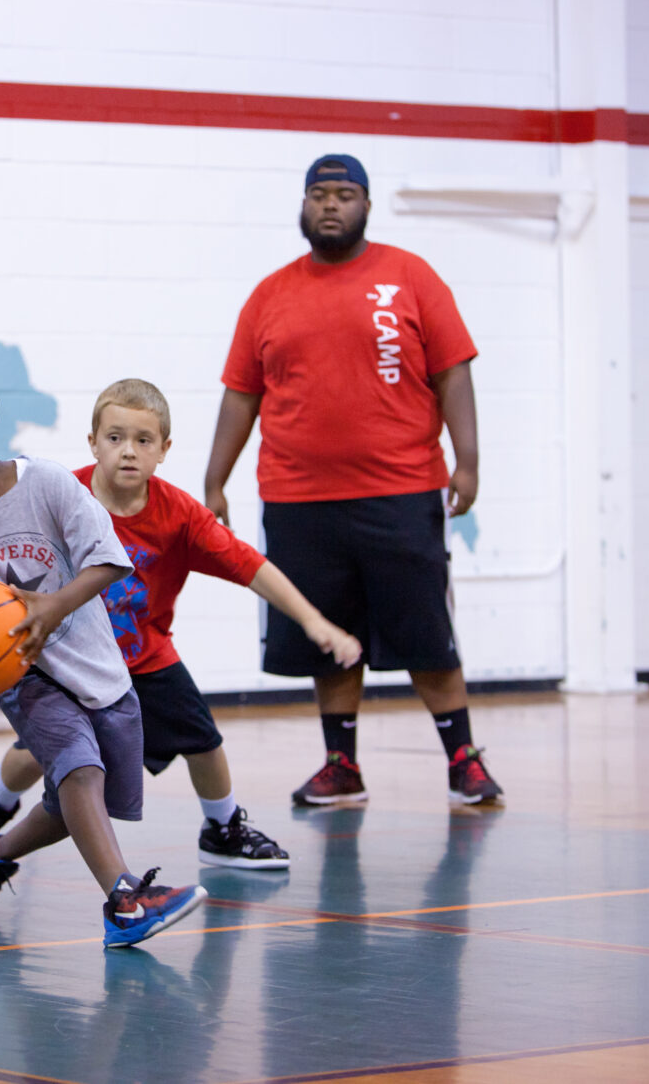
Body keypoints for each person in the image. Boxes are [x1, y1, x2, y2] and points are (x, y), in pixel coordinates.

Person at [0, 378, 362, 875]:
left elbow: (250, 566)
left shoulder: (179, 514)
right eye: (115, 437)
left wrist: (314, 622)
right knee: (37, 752)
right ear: (93, 442)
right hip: (68, 660)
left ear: (164, 450)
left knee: (204, 741)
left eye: (143, 440)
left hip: (145, 658)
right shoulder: (61, 496)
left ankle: (222, 828)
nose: (128, 451)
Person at [203, 154, 504, 808]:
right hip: (298, 497)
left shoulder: (410, 277)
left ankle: (464, 760)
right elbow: (240, 393)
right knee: (325, 634)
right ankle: (341, 765)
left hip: (401, 489)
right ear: (303, 206)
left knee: (424, 630)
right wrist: (215, 479)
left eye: (344, 194)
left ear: (366, 205)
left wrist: (468, 459)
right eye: (319, 194)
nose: (330, 204)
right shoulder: (269, 294)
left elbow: (453, 370)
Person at [0, 367, 206, 948]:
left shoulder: (48, 485)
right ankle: (126, 902)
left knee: (71, 806)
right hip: (25, 678)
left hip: (97, 667)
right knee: (81, 771)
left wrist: (54, 606)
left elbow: (108, 560)